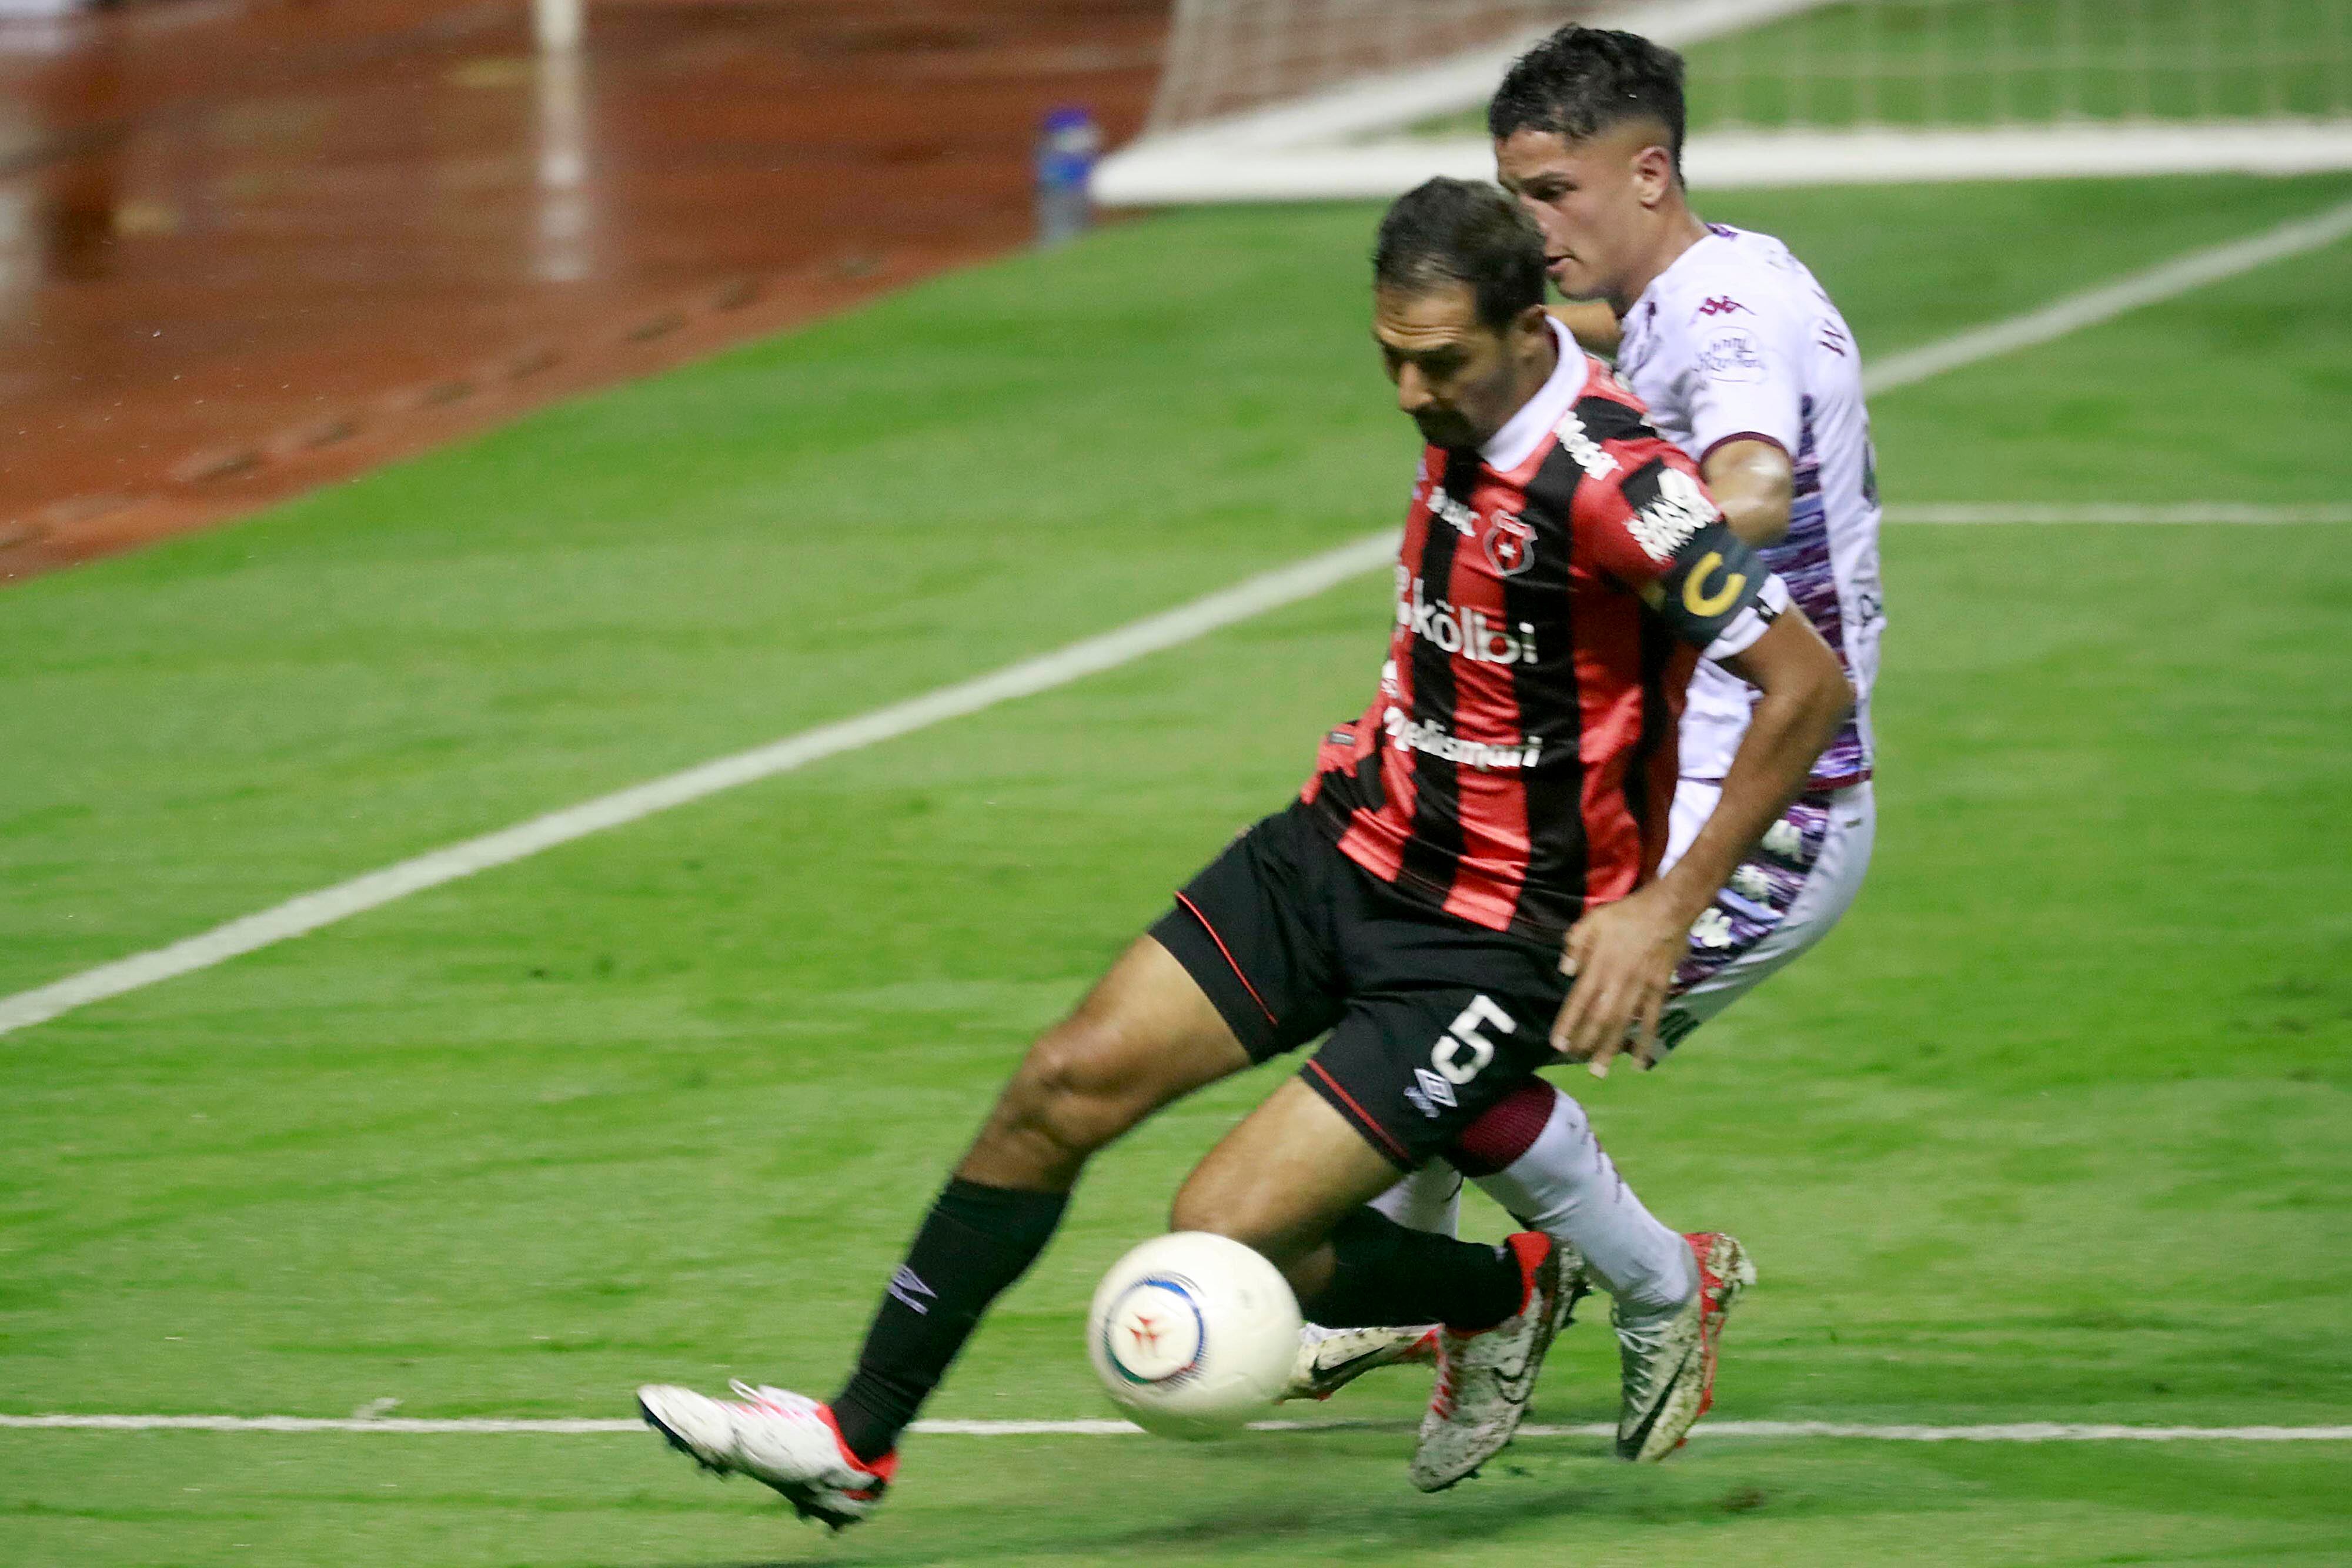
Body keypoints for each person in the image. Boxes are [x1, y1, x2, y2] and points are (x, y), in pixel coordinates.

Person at [634, 178, 1852, 1528]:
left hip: (1486, 938)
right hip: (1343, 844)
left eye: (1436, 361)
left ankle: (1505, 1288)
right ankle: (853, 1439)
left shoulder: (1619, 485)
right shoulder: (1467, 395)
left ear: (1523, 330)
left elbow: (1802, 686)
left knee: (1222, 1227)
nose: (1406, 389)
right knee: (1058, 1084)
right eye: (1386, 354)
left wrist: (1663, 910)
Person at [1294, 25, 1887, 1465]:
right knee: (1412, 977)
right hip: (1642, 781)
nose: (1529, 227)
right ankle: (1428, 1292)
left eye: (1550, 193)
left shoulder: (1730, 310)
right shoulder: (1686, 294)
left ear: (1647, 171)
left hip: (1760, 808)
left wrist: (1606, 523)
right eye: (1512, 192)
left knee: (1453, 1044)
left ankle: (1647, 1285)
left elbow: (1746, 471)